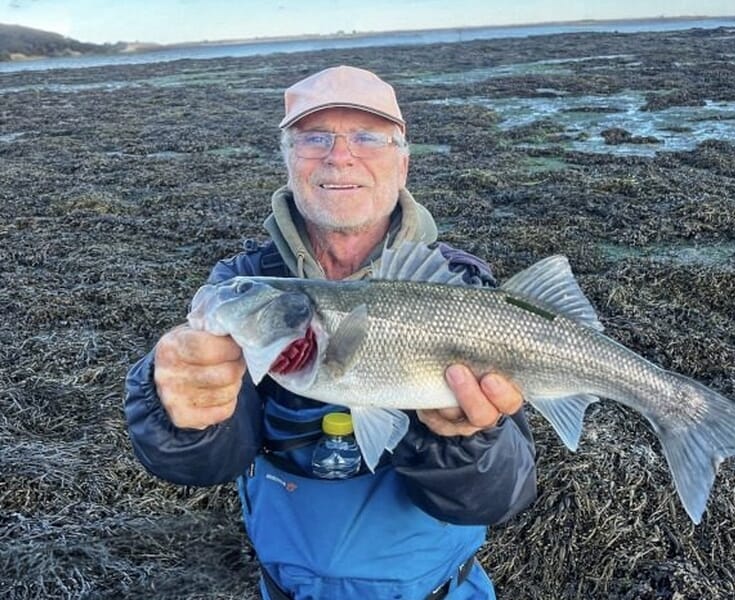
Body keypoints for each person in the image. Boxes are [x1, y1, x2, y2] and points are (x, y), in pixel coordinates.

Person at [125, 65, 538, 600]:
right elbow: (207, 464)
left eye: (368, 137)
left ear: (403, 162)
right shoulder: (244, 286)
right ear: (288, 160)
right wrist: (173, 409)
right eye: (314, 137)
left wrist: (466, 439)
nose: (339, 155)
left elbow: (501, 496)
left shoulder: (463, 287)